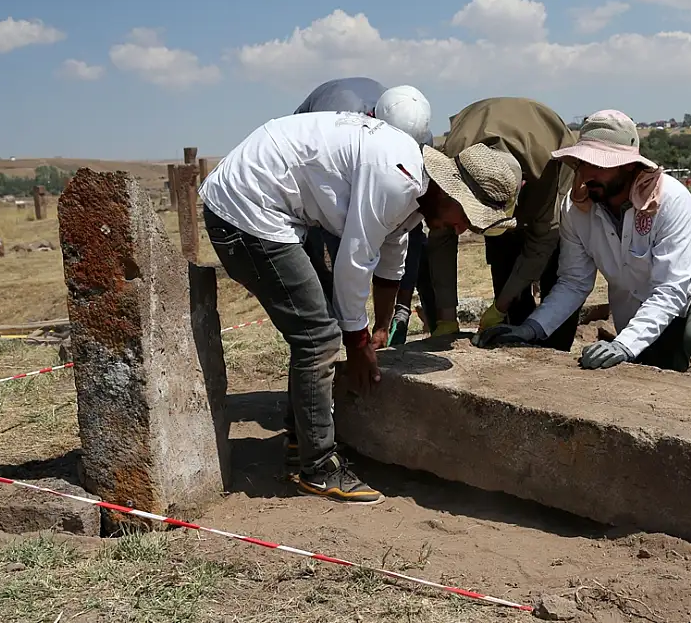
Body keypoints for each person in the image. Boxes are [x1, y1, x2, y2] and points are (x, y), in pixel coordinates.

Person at [200, 111, 523, 503]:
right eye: (467, 219)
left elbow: (391, 259)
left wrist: (380, 328)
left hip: (273, 204)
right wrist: (357, 343)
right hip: (247, 208)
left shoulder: (415, 187)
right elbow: (353, 263)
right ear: (452, 192)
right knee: (319, 337)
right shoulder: (395, 180)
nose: (462, 230)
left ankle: (301, 440)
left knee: (320, 327)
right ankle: (318, 468)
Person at [473, 109, 691, 384]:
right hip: (641, 302)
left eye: (598, 164)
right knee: (656, 377)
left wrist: (624, 344)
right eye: (582, 163)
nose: (585, 174)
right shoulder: (575, 208)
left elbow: (670, 288)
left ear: (629, 166)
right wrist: (530, 329)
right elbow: (573, 282)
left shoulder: (671, 198)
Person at [422, 97, 581, 350]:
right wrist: (447, 317)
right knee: (503, 254)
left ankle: (554, 352)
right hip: (479, 139)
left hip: (552, 159)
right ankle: (513, 335)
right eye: (467, 218)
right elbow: (441, 239)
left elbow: (542, 242)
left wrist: (499, 305)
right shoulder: (457, 164)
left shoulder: (547, 176)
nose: (462, 230)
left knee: (555, 268)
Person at [292, 78, 434, 343]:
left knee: (407, 223)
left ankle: (397, 315)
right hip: (313, 172)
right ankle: (332, 326)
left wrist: (384, 319)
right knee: (337, 238)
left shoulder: (420, 134)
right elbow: (352, 251)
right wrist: (356, 334)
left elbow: (402, 228)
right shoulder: (338, 121)